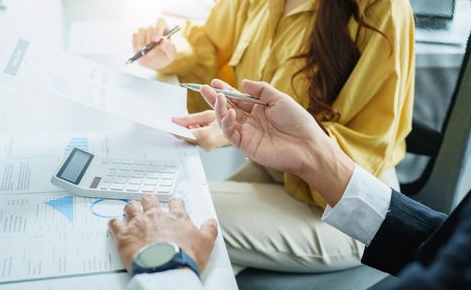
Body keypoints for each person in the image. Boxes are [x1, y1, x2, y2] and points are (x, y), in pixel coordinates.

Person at [130, 0, 415, 272]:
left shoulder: (383, 7)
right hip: (276, 174)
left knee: (172, 224)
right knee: (162, 220)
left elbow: (358, 158)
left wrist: (234, 131)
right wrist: (175, 51)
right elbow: (213, 44)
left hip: (346, 207)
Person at [113, 80, 471, 290]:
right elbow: (444, 244)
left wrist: (165, 270)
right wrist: (315, 157)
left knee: (184, 218)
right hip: (309, 185)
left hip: (320, 215)